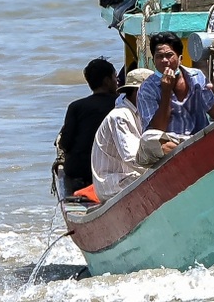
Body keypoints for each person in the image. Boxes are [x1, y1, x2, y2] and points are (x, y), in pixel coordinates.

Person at [93, 68, 179, 199]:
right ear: (137, 92)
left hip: (129, 177)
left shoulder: (140, 114)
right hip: (113, 183)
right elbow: (132, 158)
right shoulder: (120, 116)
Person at [57, 58, 120, 197]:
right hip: (109, 170)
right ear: (107, 81)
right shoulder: (120, 104)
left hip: (80, 171)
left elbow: (66, 143)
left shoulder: (76, 106)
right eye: (115, 77)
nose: (117, 81)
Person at [138, 31, 214, 137]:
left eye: (169, 55)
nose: (164, 60)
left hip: (199, 140)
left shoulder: (197, 76)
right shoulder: (146, 89)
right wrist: (166, 91)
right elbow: (158, 129)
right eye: (159, 56)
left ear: (180, 59)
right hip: (170, 144)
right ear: (153, 61)